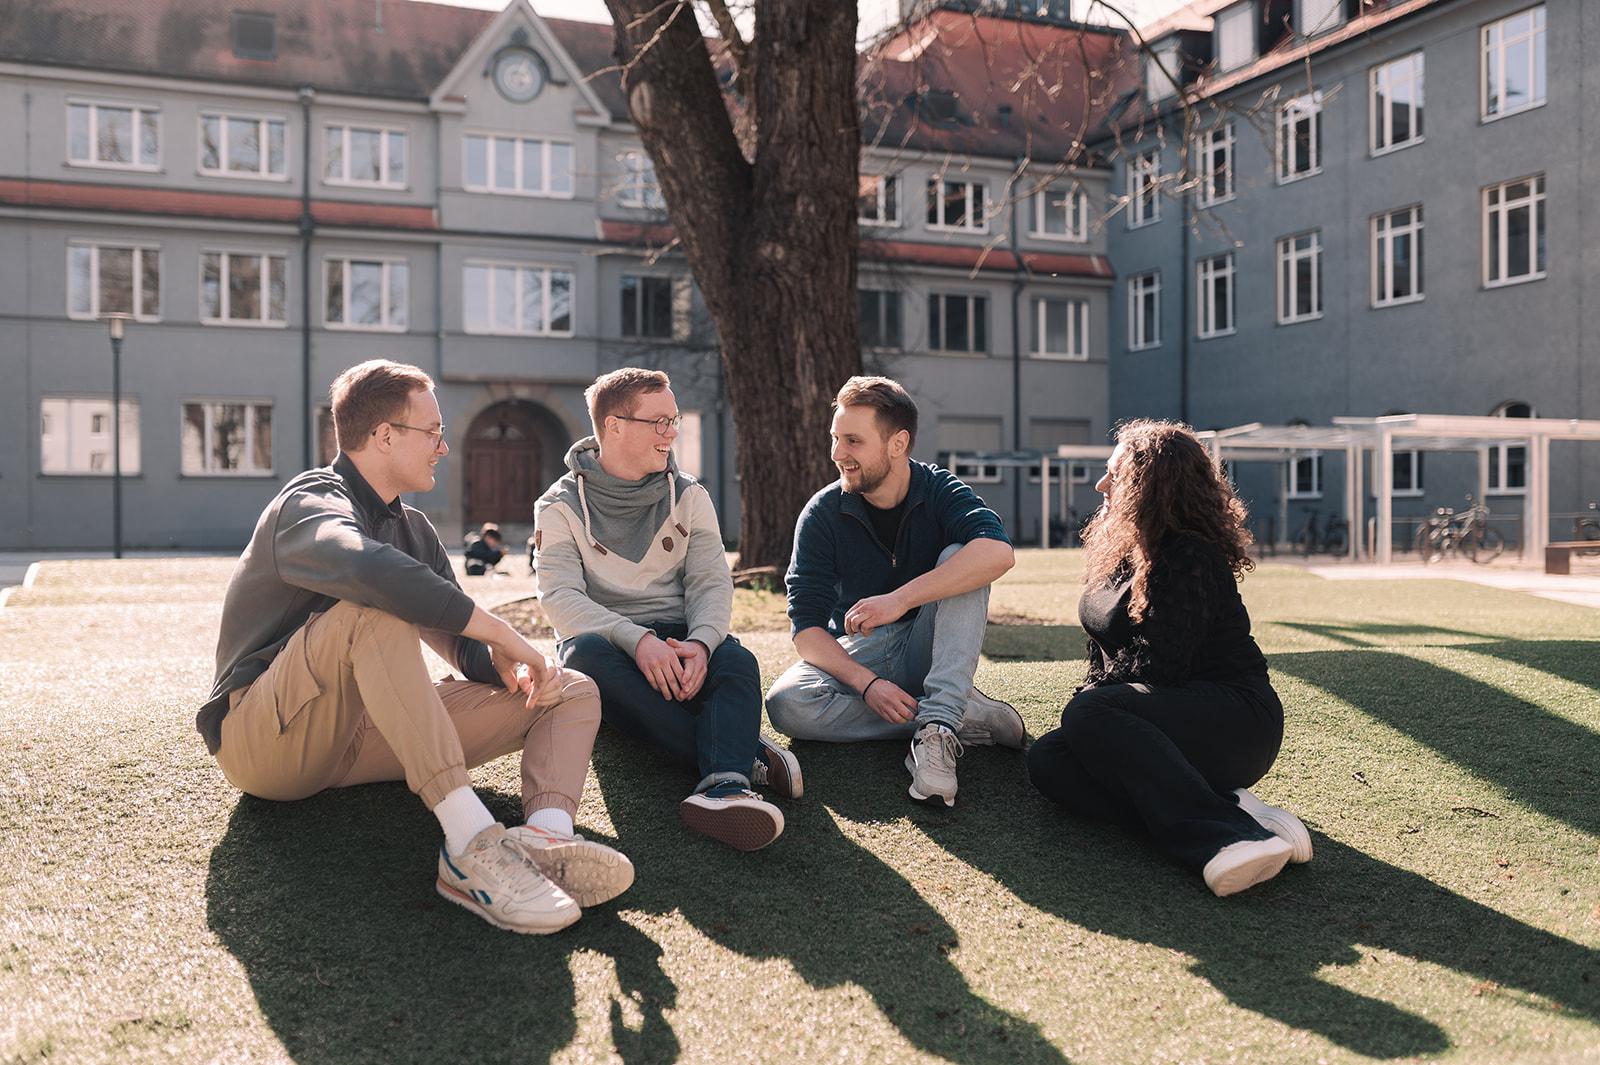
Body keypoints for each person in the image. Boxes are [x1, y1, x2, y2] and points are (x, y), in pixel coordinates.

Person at [197, 359, 633, 935]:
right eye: (433, 431)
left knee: (570, 688)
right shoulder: (308, 502)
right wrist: (502, 632)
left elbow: (458, 642)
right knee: (371, 614)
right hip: (269, 742)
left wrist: (501, 663)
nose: (444, 447)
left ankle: (544, 838)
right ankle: (470, 848)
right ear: (383, 437)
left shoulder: (414, 529)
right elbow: (364, 569)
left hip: (367, 733)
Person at [1025, 419, 1313, 897]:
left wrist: (1091, 709)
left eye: (1114, 474)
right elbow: (1106, 654)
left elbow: (1161, 667)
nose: (1101, 484)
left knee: (1087, 713)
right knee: (1050, 761)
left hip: (1235, 722)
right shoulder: (1123, 553)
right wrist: (1091, 714)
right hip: (1162, 722)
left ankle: (1228, 840)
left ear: (1149, 484)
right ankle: (1227, 808)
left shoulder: (1191, 557)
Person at [534, 368, 798, 851]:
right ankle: (740, 757)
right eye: (659, 422)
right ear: (613, 426)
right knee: (583, 662)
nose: (671, 433)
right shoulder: (559, 505)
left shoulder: (691, 495)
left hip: (679, 636)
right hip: (608, 645)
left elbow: (710, 581)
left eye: (672, 420)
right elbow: (560, 601)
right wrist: (638, 642)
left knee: (736, 660)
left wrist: (701, 643)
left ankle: (725, 787)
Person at [765, 376, 1026, 808]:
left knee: (965, 556)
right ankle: (952, 714)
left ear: (897, 443)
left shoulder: (940, 490)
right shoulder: (822, 513)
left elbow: (998, 554)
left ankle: (939, 729)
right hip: (862, 649)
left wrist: (900, 599)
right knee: (787, 705)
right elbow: (806, 630)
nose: (837, 454)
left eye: (852, 441)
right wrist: (868, 686)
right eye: (834, 438)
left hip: (929, 644)